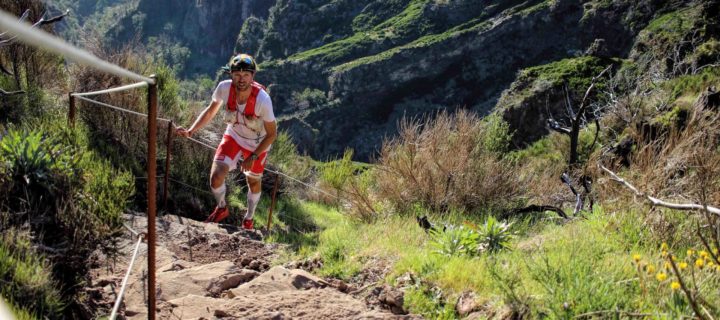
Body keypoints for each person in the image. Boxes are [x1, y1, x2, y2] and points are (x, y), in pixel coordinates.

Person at [176, 53, 277, 229]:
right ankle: (222, 208)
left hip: (257, 144)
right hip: (234, 136)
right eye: (237, 74)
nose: (241, 79)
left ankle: (249, 218)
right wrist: (191, 130)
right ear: (230, 74)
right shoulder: (224, 88)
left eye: (246, 74)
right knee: (215, 177)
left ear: (253, 76)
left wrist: (253, 156)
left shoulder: (263, 100)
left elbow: (271, 134)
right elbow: (210, 111)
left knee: (253, 182)